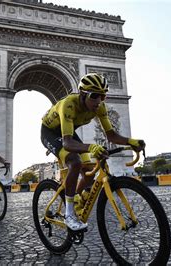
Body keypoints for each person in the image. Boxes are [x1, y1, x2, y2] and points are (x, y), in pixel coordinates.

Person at [40, 73, 145, 231]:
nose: (98, 101)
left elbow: (111, 135)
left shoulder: (100, 107)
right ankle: (69, 215)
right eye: (94, 96)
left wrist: (131, 141)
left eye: (103, 96)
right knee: (75, 162)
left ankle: (75, 197)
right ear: (82, 94)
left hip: (68, 132)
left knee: (89, 172)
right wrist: (91, 147)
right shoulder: (68, 104)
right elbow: (68, 143)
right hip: (50, 132)